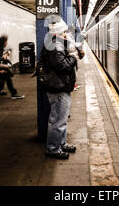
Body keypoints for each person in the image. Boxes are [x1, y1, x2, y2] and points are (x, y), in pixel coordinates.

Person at [40, 17, 77, 159]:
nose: (67, 34)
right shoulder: (55, 45)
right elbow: (61, 65)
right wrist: (73, 58)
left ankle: (61, 143)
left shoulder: (55, 43)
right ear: (59, 32)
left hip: (61, 86)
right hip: (58, 87)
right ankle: (53, 149)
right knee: (57, 120)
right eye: (65, 32)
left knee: (61, 119)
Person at [0, 35, 25, 99]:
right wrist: (1, 68)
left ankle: (14, 94)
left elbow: (9, 50)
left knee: (7, 76)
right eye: (6, 41)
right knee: (1, 81)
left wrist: (6, 54)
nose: (7, 43)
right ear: (5, 42)